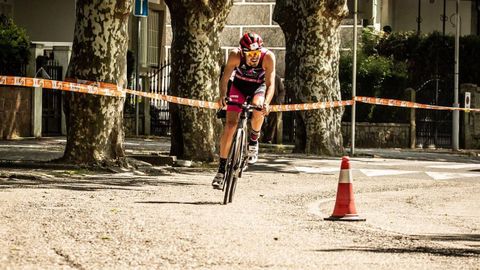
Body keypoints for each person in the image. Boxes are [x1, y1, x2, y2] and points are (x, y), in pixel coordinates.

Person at [212, 32, 276, 189]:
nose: (254, 57)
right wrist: (222, 95)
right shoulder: (235, 55)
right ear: (242, 52)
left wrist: (267, 103)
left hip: (258, 87)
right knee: (230, 125)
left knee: (258, 106)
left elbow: (270, 84)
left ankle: (253, 140)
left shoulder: (268, 57)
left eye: (256, 53)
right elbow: (225, 78)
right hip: (239, 86)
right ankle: (221, 170)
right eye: (250, 54)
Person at [261, 75, 285, 144]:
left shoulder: (276, 78)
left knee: (272, 122)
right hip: (261, 103)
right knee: (261, 121)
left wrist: (278, 100)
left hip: (273, 104)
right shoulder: (260, 75)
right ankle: (262, 137)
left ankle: (269, 139)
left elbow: (282, 91)